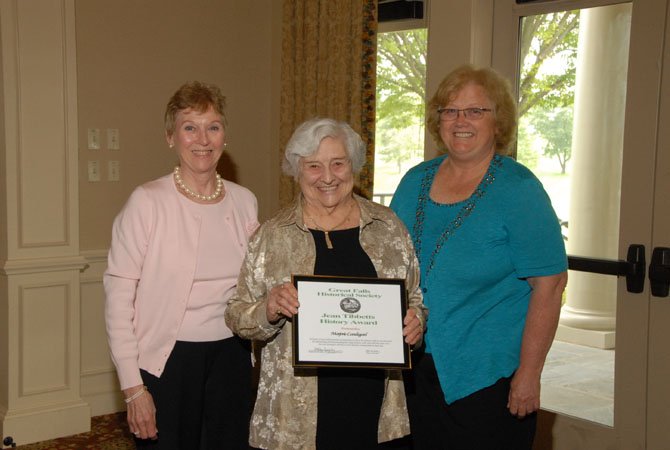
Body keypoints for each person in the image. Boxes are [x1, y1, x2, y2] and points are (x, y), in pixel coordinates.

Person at [390, 64, 568, 449]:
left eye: (475, 111)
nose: (460, 121)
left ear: (498, 121)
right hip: (409, 369)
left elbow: (550, 286)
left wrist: (530, 374)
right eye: (450, 111)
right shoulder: (413, 181)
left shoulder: (519, 190)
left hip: (487, 378)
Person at [224, 117, 427, 450]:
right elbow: (236, 314)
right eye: (314, 166)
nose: (328, 177)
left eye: (338, 163)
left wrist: (416, 322)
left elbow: (414, 298)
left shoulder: (388, 227)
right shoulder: (273, 235)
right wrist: (269, 309)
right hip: (296, 411)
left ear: (354, 166)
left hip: (374, 404)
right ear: (297, 171)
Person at [104, 81, 259, 449]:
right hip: (167, 361)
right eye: (190, 127)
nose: (202, 139)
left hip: (232, 357)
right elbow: (117, 300)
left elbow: (255, 282)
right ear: (171, 138)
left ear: (225, 135)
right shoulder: (147, 202)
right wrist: (132, 389)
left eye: (213, 126)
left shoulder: (245, 201)